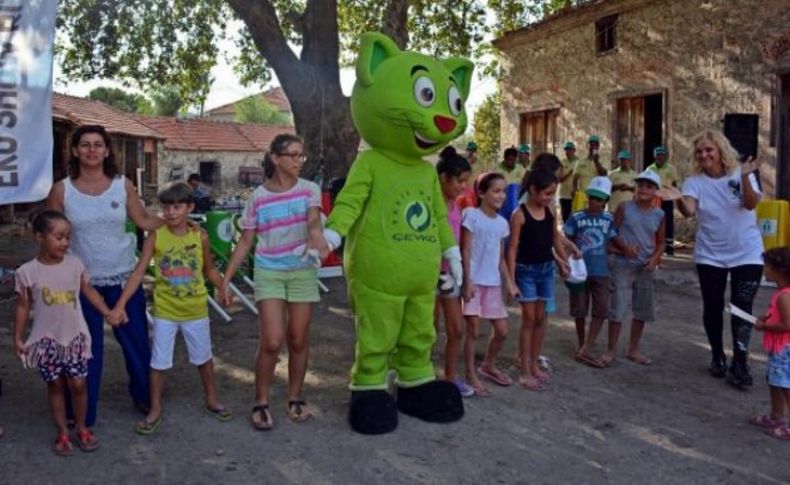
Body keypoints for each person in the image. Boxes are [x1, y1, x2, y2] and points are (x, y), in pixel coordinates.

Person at [46, 124, 156, 428]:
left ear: (107, 150)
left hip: (123, 277)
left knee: (136, 343)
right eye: (85, 144)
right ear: (75, 150)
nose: (92, 150)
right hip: (79, 282)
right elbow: (51, 233)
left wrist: (177, 221)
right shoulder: (61, 190)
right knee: (83, 350)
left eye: (98, 144)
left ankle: (146, 396)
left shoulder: (124, 185)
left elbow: (143, 219)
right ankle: (79, 412)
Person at [221, 134, 329, 430]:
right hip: (268, 270)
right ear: (275, 158)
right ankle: (261, 399)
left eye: (301, 155)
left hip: (302, 271)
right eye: (292, 155)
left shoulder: (310, 189)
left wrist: (317, 236)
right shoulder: (258, 197)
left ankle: (294, 398)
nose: (298, 161)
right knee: (271, 341)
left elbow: (313, 220)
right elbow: (245, 241)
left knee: (298, 338)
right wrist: (225, 279)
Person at [110, 183, 232, 435]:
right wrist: (120, 304)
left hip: (196, 309)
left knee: (204, 358)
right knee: (159, 362)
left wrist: (223, 288)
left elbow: (208, 269)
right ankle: (155, 408)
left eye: (177, 206)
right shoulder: (156, 237)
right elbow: (139, 271)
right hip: (165, 310)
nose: (171, 212)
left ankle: (211, 399)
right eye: (166, 206)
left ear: (190, 207)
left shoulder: (200, 236)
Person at [13, 211, 122, 455]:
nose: (65, 242)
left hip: (74, 338)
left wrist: (109, 312)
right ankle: (62, 433)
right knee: (55, 385)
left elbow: (89, 291)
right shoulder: (27, 272)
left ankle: (82, 428)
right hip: (45, 341)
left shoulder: (75, 264)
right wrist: (18, 338)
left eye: (68, 237)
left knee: (79, 384)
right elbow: (22, 306)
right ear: (39, 237)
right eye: (59, 237)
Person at [665, 130, 764, 387]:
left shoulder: (742, 172)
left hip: (747, 252)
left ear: (720, 150)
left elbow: (751, 204)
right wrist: (677, 199)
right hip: (710, 254)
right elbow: (688, 210)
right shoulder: (694, 181)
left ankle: (740, 361)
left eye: (709, 149)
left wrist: (744, 175)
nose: (704, 154)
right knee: (713, 306)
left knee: (743, 307)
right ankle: (718, 355)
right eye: (699, 151)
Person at [508, 169, 569, 391]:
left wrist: (562, 261)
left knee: (541, 317)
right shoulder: (519, 214)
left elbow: (553, 239)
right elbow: (512, 248)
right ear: (533, 190)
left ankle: (533, 365)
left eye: (553, 193)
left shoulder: (551, 211)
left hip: (546, 270)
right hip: (525, 272)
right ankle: (524, 371)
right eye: (546, 193)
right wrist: (511, 280)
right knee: (529, 319)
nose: (550, 198)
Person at [461, 172, 518, 397]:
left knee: (502, 330)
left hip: (492, 283)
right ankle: (470, 373)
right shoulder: (471, 215)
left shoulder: (503, 223)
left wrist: (510, 283)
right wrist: (467, 281)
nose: (501, 195)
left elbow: (501, 257)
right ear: (481, 192)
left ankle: (488, 365)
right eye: (496, 190)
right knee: (472, 330)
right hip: (473, 282)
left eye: (504, 191)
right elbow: (465, 250)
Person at [565, 177, 628, 367]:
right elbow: (566, 240)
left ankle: (587, 347)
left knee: (601, 309)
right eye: (592, 198)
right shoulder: (576, 217)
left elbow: (612, 240)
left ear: (605, 202)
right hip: (579, 271)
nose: (594, 202)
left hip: (601, 271)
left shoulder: (608, 219)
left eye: (599, 200)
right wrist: (565, 262)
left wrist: (626, 250)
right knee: (580, 309)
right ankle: (581, 343)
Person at [604, 170, 665, 367]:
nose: (643, 189)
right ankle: (611, 350)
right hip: (622, 264)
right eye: (640, 185)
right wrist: (624, 247)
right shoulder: (624, 207)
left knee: (641, 309)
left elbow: (661, 242)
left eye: (649, 186)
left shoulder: (659, 214)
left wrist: (655, 259)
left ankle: (633, 349)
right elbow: (612, 231)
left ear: (656, 190)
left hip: (644, 266)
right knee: (618, 308)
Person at [435, 151, 473, 396]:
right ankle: (420, 378)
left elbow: (460, 245)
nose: (463, 186)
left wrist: (466, 277)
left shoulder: (457, 206)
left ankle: (450, 377)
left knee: (456, 329)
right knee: (426, 330)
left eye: (466, 181)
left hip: (450, 276)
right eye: (459, 181)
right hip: (429, 274)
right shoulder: (432, 203)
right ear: (443, 178)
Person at [750, 247, 790, 440]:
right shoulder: (782, 294)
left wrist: (765, 326)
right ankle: (776, 416)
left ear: (778, 270)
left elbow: (787, 324)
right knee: (775, 382)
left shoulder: (784, 296)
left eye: (767, 266)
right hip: (779, 348)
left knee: (786, 386)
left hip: (785, 349)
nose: (764, 269)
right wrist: (768, 318)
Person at [646, 146, 679, 255]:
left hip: (666, 198)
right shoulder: (650, 169)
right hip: (654, 198)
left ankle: (669, 248)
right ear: (654, 156)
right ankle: (653, 246)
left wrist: (671, 193)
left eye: (662, 155)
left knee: (668, 221)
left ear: (665, 156)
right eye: (658, 154)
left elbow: (675, 183)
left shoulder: (671, 169)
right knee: (653, 221)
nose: (660, 157)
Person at [572, 135, 608, 208]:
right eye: (591, 144)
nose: (593, 146)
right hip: (582, 197)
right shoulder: (580, 161)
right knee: (582, 218)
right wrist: (575, 190)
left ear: (598, 146)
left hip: (597, 197)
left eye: (595, 144)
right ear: (588, 146)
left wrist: (596, 162)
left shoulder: (603, 160)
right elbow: (575, 178)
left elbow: (604, 175)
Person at [558, 141, 577, 222]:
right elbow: (559, 179)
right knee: (565, 218)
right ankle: (565, 234)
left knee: (575, 218)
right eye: (566, 150)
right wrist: (569, 173)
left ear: (574, 150)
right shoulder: (562, 162)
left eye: (569, 149)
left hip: (576, 195)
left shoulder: (579, 161)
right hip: (564, 195)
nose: (567, 152)